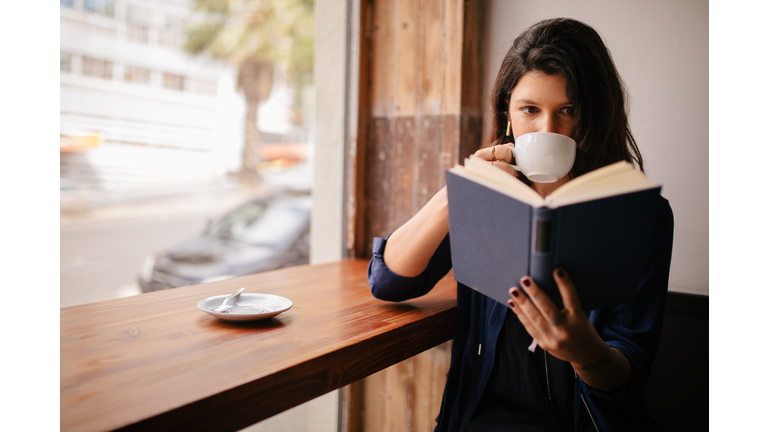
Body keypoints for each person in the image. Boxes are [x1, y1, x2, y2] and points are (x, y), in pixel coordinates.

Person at [367, 18, 674, 432]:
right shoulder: (492, 199)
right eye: (530, 110)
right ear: (508, 115)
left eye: (569, 110)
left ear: (593, 114)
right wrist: (458, 194)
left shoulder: (642, 216)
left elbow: (629, 369)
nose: (549, 130)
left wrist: (586, 354)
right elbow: (390, 281)